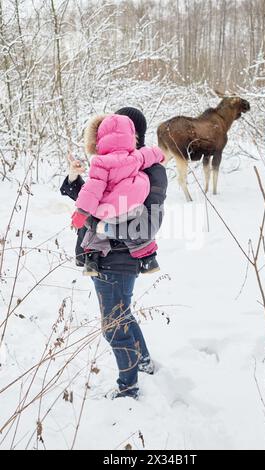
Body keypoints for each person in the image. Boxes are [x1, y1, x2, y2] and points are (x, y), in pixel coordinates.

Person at [60, 108, 168, 399]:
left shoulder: (151, 169)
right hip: (100, 257)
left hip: (119, 260)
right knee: (123, 315)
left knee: (113, 325)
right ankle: (142, 361)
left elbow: (148, 224)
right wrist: (74, 180)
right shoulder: (118, 161)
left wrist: (99, 222)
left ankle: (128, 387)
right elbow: (97, 199)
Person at [71, 114, 164, 275]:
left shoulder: (100, 162)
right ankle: (149, 259)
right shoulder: (136, 156)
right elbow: (152, 154)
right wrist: (160, 155)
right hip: (134, 207)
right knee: (140, 233)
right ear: (131, 137)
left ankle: (91, 259)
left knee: (92, 221)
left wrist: (80, 213)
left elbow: (91, 192)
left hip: (109, 211)